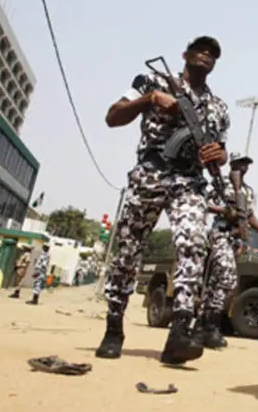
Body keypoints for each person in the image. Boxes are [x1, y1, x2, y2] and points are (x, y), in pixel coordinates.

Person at [95, 35, 230, 366]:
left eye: (213, 53)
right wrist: (151, 99)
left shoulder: (218, 108)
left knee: (194, 243)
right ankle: (114, 327)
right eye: (200, 49)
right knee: (128, 251)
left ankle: (180, 332)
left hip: (190, 181)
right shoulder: (152, 81)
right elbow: (113, 116)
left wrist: (221, 155)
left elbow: (219, 148)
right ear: (184, 54)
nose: (206, 55)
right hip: (151, 173)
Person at [197, 152, 258, 349]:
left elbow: (249, 216)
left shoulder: (248, 191)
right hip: (219, 234)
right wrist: (224, 211)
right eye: (241, 163)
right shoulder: (220, 183)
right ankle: (212, 325)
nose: (244, 167)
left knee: (216, 282)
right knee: (228, 278)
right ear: (232, 163)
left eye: (247, 164)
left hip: (234, 239)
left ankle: (204, 325)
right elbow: (203, 202)